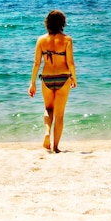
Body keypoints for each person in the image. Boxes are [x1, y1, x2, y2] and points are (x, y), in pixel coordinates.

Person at [29, 10, 77, 153]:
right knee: (60, 114)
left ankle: (47, 132)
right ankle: (56, 147)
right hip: (63, 77)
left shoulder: (41, 40)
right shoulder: (67, 39)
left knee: (48, 109)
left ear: (47, 23)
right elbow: (70, 62)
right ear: (62, 23)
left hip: (47, 78)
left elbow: (36, 63)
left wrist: (32, 83)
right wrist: (74, 77)